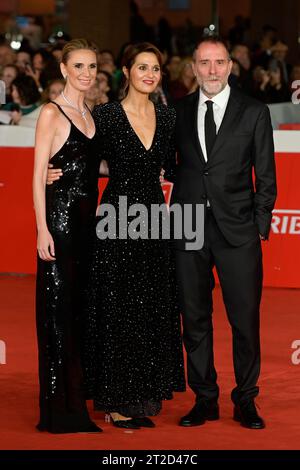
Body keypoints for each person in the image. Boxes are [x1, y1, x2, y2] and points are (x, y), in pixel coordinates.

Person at [47, 42, 185, 429]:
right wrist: (49, 173)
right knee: (117, 306)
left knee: (149, 306)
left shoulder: (167, 116)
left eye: (155, 69)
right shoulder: (105, 115)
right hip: (115, 218)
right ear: (127, 71)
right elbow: (82, 159)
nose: (149, 75)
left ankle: (141, 395)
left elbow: (174, 167)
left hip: (154, 219)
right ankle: (114, 399)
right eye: (142, 67)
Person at [171, 37, 277, 429]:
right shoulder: (178, 112)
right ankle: (205, 398)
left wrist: (258, 228)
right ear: (193, 68)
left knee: (244, 321)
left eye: (218, 62)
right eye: (204, 63)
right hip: (187, 229)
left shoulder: (254, 112)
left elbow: (265, 176)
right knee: (195, 319)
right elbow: (164, 164)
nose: (212, 70)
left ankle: (246, 399)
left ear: (230, 65)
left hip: (238, 233)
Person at [32, 38, 102, 433]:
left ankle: (77, 403)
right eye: (78, 66)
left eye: (91, 66)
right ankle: (58, 411)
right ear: (63, 69)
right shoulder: (50, 113)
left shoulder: (91, 114)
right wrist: (42, 229)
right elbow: (37, 174)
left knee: (77, 315)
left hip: (87, 230)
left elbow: (92, 169)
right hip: (58, 227)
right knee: (57, 317)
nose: (86, 74)